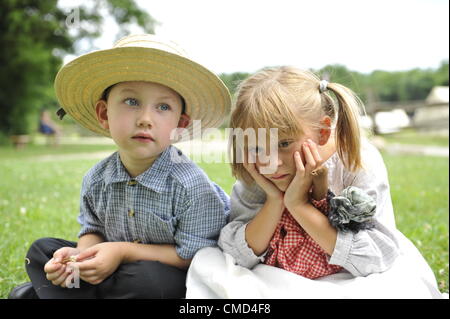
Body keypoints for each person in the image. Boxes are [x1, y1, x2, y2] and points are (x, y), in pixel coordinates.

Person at [185, 66, 445, 298]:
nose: (271, 162)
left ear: (322, 132)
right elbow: (236, 255)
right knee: (212, 268)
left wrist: (298, 205)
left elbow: (377, 258)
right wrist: (274, 201)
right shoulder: (258, 170)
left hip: (352, 275)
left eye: (284, 144)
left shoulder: (356, 160)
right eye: (254, 147)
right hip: (279, 276)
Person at [9, 34, 231, 299]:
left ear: (180, 126)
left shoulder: (192, 185)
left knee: (147, 281)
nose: (146, 119)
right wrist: (82, 256)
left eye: (163, 106)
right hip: (115, 270)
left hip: (171, 276)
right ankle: (70, 289)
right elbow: (92, 230)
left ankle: (49, 295)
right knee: (43, 251)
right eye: (131, 102)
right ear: (104, 114)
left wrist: (122, 251)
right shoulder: (97, 178)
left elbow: (196, 256)